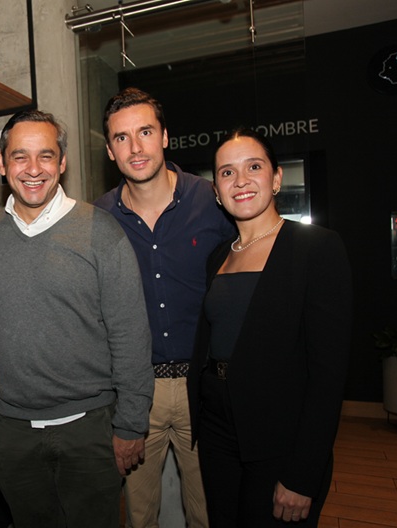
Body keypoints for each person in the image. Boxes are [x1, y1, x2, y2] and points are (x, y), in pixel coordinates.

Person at [0, 109, 154, 528]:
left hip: (90, 431)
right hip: (11, 434)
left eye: (46, 155)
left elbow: (130, 335)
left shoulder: (101, 231)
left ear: (62, 163)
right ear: (2, 164)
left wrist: (131, 425)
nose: (33, 169)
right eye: (20, 156)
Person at [187, 128, 352, 527]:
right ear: (216, 191)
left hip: (280, 435)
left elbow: (328, 376)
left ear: (276, 178)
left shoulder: (316, 248)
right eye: (227, 173)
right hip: (217, 430)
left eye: (254, 167)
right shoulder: (217, 257)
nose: (240, 181)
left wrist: (303, 474)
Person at [94, 87, 234, 528]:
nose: (135, 148)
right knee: (139, 517)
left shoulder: (212, 201)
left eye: (145, 132)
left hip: (203, 389)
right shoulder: (97, 219)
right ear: (110, 150)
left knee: (209, 512)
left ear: (165, 136)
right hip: (136, 394)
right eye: (121, 137)